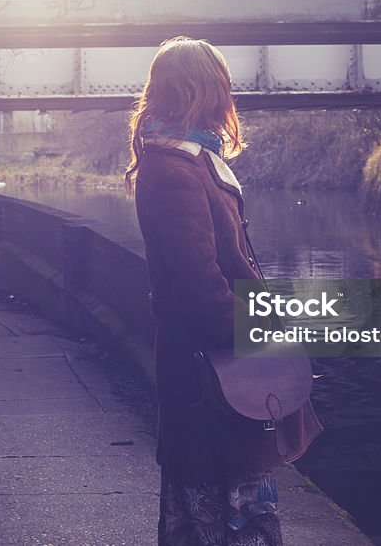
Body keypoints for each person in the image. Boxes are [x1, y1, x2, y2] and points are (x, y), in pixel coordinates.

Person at [126, 36, 323, 545]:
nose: (228, 96)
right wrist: (265, 338)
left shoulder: (189, 159)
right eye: (221, 85)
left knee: (216, 510)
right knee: (226, 513)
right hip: (210, 370)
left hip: (211, 365)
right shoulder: (174, 170)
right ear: (202, 91)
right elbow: (201, 287)